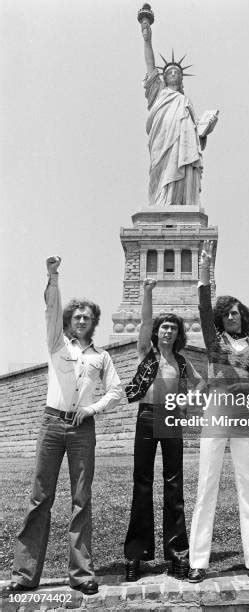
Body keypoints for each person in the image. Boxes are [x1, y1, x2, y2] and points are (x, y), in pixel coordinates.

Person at [2, 256, 123, 597]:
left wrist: (93, 409)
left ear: (93, 322)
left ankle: (81, 574)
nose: (81, 320)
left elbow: (116, 390)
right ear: (70, 321)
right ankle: (25, 574)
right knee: (40, 498)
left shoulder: (102, 357)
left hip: (82, 429)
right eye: (77, 316)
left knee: (81, 499)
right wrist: (53, 278)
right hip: (52, 425)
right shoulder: (57, 344)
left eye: (87, 317)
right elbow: (51, 312)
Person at [188, 241, 249, 583]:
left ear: (244, 317)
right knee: (206, 485)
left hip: (243, 419)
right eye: (228, 313)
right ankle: (198, 562)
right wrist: (205, 271)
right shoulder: (215, 343)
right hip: (216, 414)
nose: (232, 316)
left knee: (246, 486)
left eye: (237, 312)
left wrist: (246, 388)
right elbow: (204, 309)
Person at [124, 278, 204, 581]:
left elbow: (201, 384)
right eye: (164, 327)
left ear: (178, 334)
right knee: (141, 484)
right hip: (146, 415)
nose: (167, 331)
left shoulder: (183, 363)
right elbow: (144, 321)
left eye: (173, 327)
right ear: (157, 332)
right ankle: (135, 556)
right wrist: (147, 293)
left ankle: (177, 555)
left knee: (174, 487)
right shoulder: (147, 353)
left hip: (171, 418)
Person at [140, 17, 217, 206]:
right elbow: (150, 66)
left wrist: (205, 127)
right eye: (169, 72)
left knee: (181, 168)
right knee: (161, 172)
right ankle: (161, 204)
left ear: (181, 79)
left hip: (183, 144)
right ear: (164, 78)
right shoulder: (158, 92)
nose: (173, 73)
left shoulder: (185, 101)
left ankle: (179, 203)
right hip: (162, 141)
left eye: (177, 72)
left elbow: (195, 132)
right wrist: (147, 39)